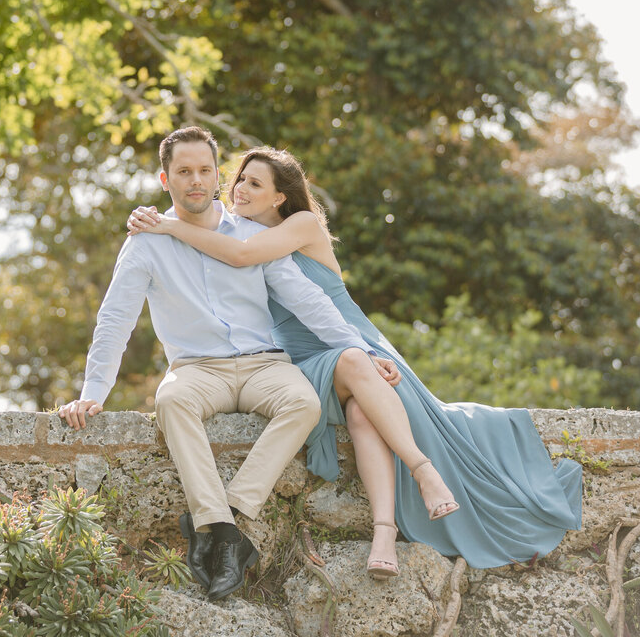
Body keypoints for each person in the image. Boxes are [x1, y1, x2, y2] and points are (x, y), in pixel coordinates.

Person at [127, 146, 583, 571]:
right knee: (360, 406)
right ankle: (403, 505)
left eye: (254, 185)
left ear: (280, 197)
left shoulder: (299, 225)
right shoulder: (234, 235)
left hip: (351, 342)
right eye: (239, 180)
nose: (239, 190)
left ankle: (404, 505)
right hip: (301, 359)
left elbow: (247, 257)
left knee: (363, 404)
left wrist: (169, 224)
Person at [58, 126, 410, 600]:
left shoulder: (252, 236)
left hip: (266, 365)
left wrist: (364, 349)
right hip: (197, 370)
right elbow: (115, 319)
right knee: (172, 401)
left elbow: (307, 299)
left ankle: (231, 517)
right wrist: (93, 392)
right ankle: (221, 529)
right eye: (184, 172)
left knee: (303, 403)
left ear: (217, 173)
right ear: (166, 179)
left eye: (205, 170)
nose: (196, 180)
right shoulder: (146, 242)